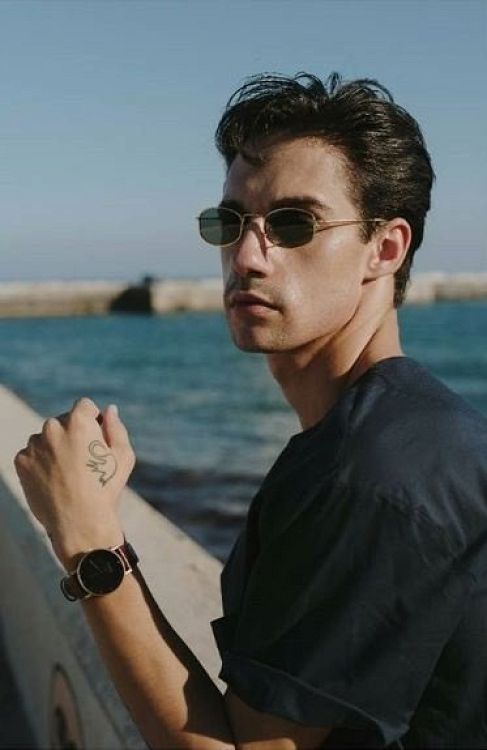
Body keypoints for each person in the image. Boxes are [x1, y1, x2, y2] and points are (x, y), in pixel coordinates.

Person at [14, 72, 487, 749]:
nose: (246, 256)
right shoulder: (382, 433)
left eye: (294, 224)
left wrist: (88, 540)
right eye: (230, 222)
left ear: (384, 249)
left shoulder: (375, 475)